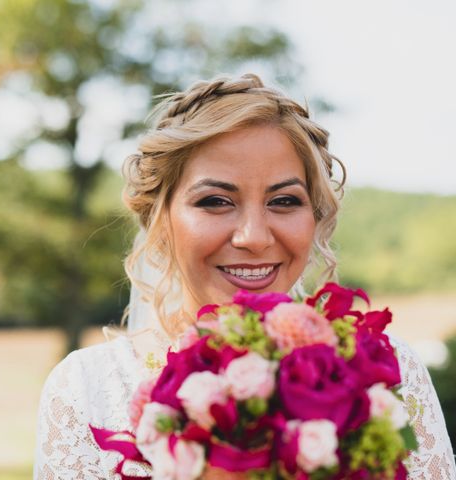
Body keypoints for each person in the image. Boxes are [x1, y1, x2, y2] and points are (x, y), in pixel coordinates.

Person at [33, 74, 456, 479]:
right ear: (161, 219)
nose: (253, 237)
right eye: (215, 201)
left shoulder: (389, 374)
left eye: (284, 200)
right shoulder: (86, 389)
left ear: (315, 216)